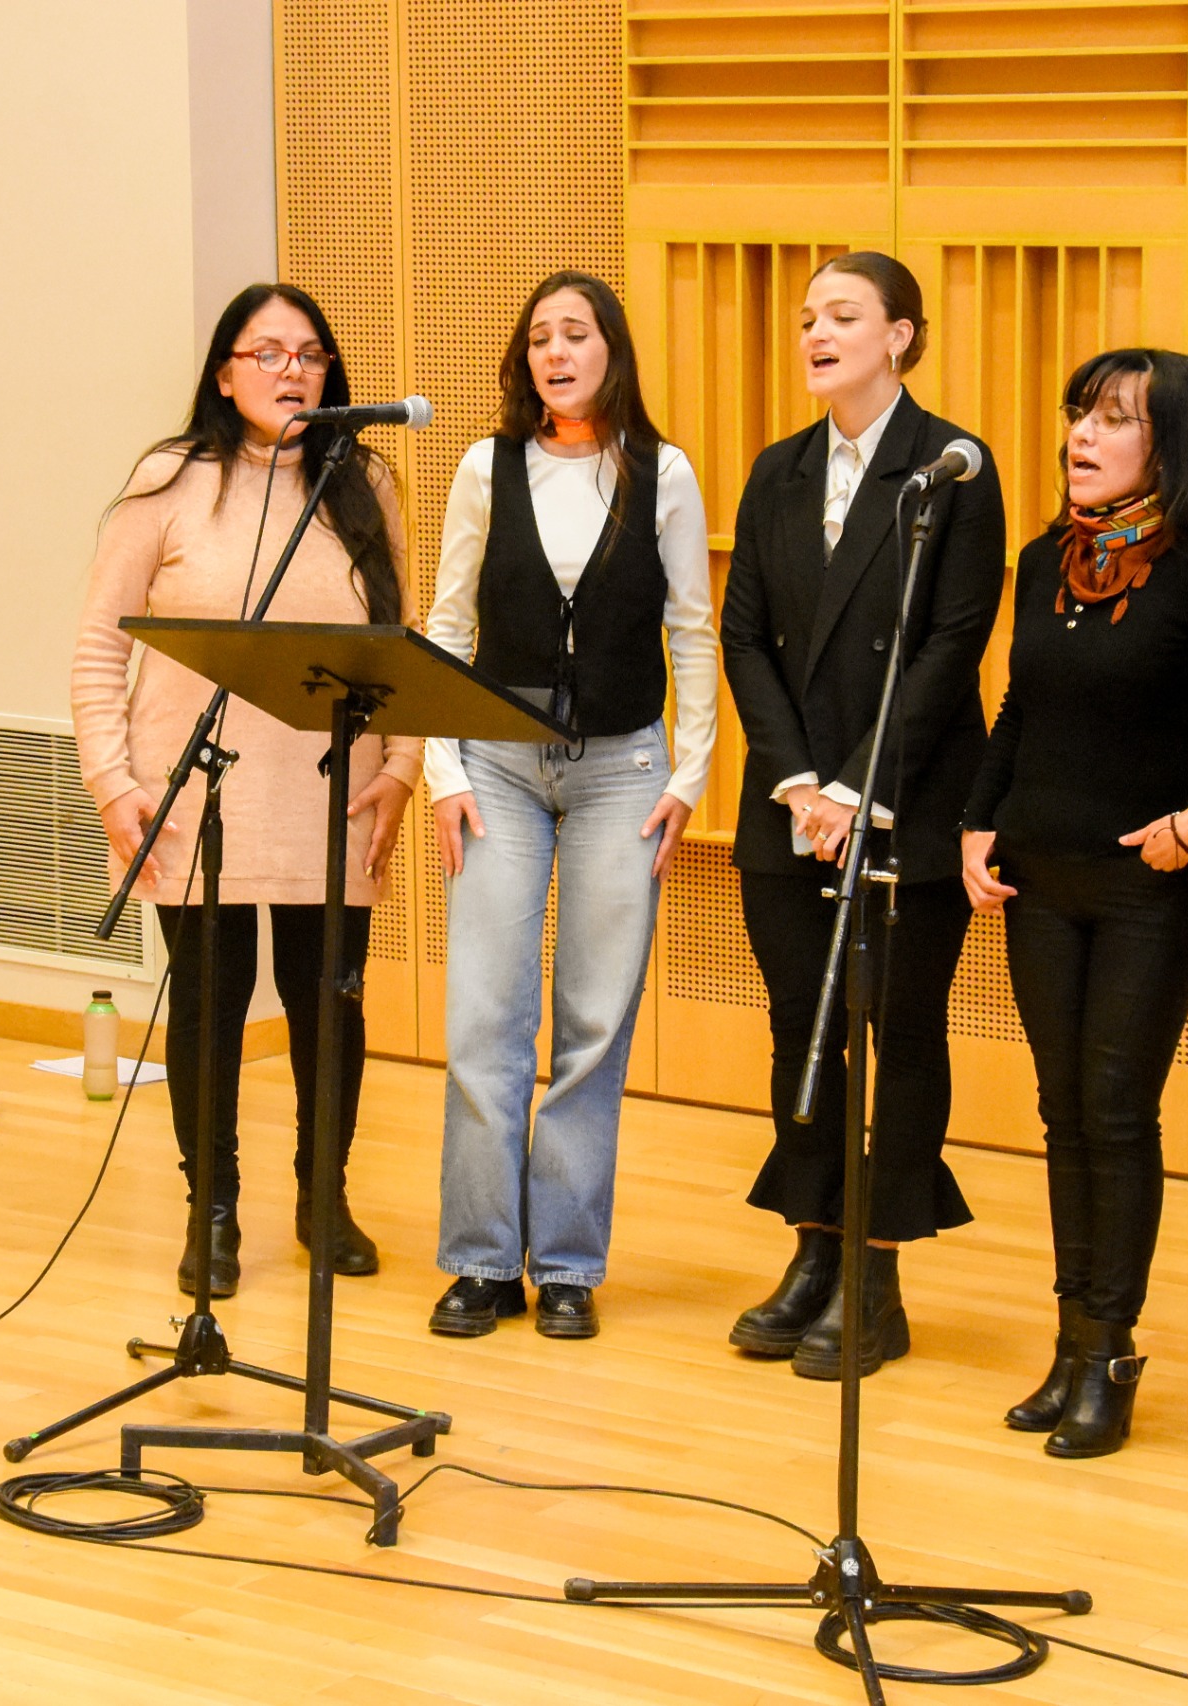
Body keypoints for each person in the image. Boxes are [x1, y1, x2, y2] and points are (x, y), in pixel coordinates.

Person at [71, 283, 417, 1299]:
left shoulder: (365, 483)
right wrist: (111, 780)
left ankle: (323, 1198)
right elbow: (99, 642)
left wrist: (400, 767)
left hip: (334, 792)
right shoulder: (169, 480)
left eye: (308, 353)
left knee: (327, 1005)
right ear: (224, 375)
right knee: (209, 1008)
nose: (290, 371)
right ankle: (211, 1208)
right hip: (195, 794)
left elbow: (401, 641)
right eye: (266, 353)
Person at [958, 350, 1188, 1456]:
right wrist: (979, 818)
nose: (1081, 436)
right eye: (1078, 415)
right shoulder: (1045, 557)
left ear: (1168, 444)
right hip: (1040, 877)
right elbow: (1018, 707)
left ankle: (1110, 1353)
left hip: (1151, 886)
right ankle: (1069, 1342)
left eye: (1113, 419)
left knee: (1115, 1108)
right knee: (1061, 1112)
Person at [718, 251, 1005, 1379]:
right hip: (789, 808)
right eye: (807, 317)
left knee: (901, 1033)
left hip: (907, 804)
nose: (816, 333)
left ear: (900, 336)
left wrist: (854, 786)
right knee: (802, 1027)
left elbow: (952, 645)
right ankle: (813, 1247)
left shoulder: (952, 467)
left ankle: (875, 1276)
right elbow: (744, 635)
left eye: (842, 314)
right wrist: (797, 780)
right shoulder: (777, 469)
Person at [424, 270, 717, 1341]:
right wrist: (443, 770)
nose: (556, 352)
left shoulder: (662, 472)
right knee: (485, 1018)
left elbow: (691, 628)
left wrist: (688, 774)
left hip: (622, 774)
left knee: (594, 1023)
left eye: (576, 333)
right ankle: (480, 1261)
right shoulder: (484, 466)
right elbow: (447, 625)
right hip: (496, 766)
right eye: (540, 336)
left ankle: (565, 1266)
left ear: (611, 351)